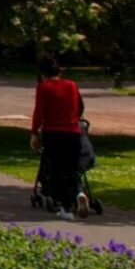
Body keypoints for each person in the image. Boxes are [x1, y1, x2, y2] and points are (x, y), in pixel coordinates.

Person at [31, 55, 87, 219]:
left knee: (56, 170)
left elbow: (39, 112)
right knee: (72, 169)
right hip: (73, 132)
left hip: (53, 133)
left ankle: (65, 208)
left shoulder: (43, 87)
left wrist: (34, 133)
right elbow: (80, 106)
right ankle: (78, 194)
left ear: (43, 74)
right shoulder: (71, 85)